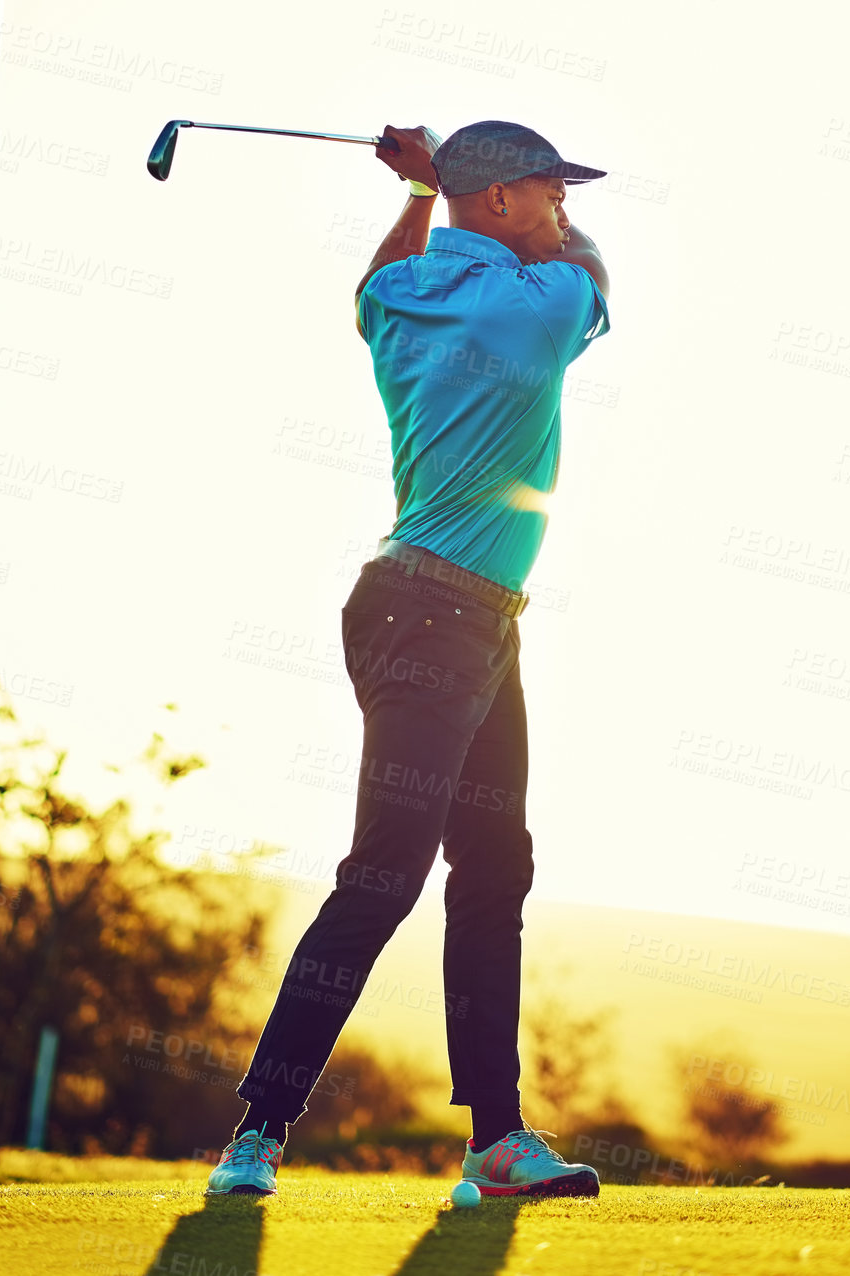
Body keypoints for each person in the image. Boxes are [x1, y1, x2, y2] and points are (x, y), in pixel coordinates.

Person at [205, 121, 612, 1197]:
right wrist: (441, 184)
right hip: (434, 617)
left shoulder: (402, 298)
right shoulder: (540, 302)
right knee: (386, 872)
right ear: (498, 204)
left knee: (492, 867)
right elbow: (595, 277)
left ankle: (496, 1140)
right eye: (547, 188)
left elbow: (377, 278)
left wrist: (423, 191)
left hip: (449, 613)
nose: (564, 206)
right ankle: (258, 1133)